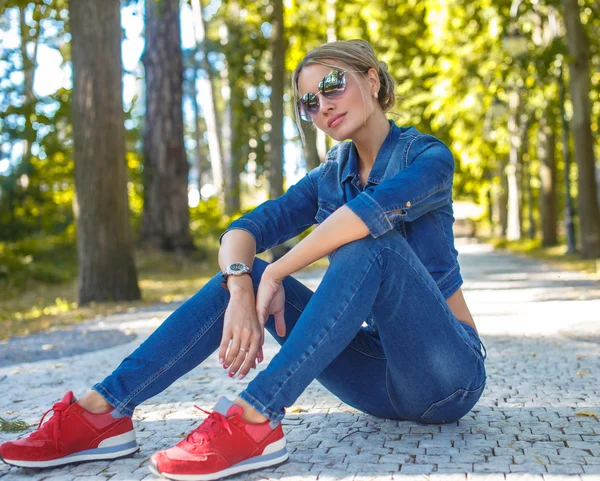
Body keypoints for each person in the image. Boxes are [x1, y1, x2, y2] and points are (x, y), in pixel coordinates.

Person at [0, 39, 487, 480]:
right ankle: (102, 412)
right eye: (309, 102)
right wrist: (240, 284)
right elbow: (244, 230)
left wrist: (277, 270)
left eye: (333, 85)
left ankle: (255, 418)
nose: (323, 106)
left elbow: (364, 217)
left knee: (370, 242)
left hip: (445, 374)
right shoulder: (329, 177)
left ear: (373, 79)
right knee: (244, 270)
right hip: (373, 380)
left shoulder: (428, 157)